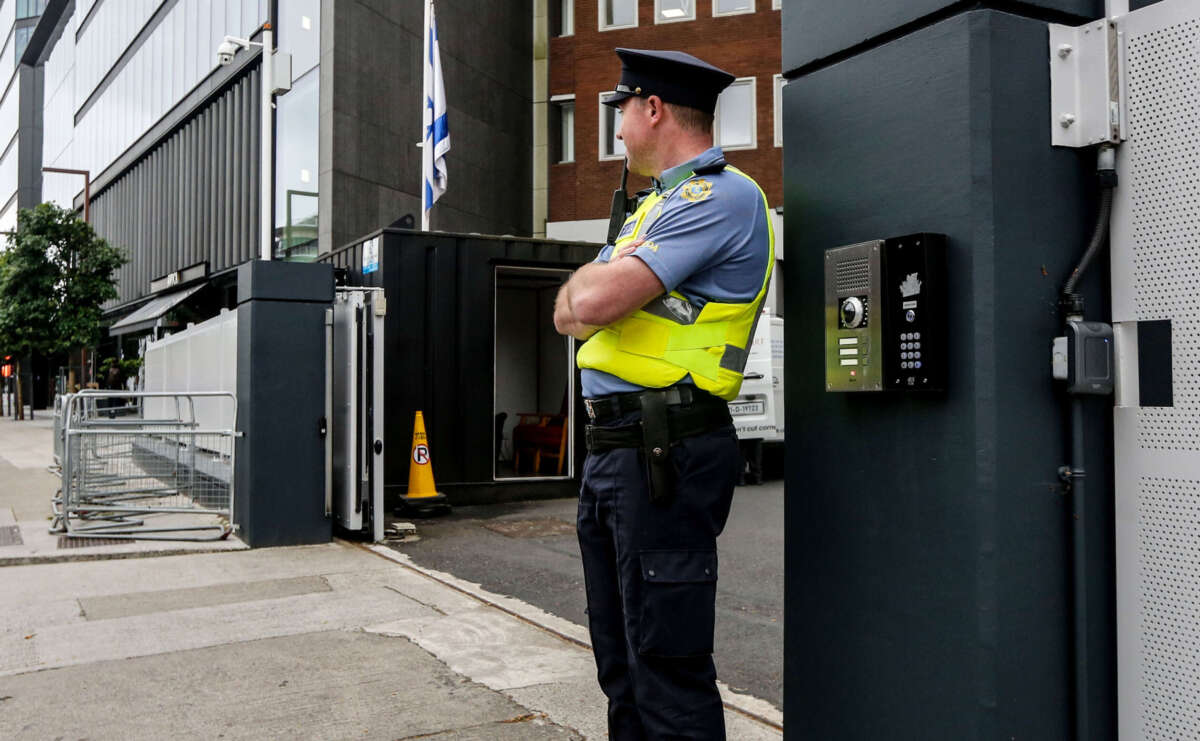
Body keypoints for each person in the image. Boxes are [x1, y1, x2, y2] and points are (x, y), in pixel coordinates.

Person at [554, 48, 774, 740]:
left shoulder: (721, 196)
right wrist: (594, 291)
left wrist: (601, 286)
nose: (617, 129)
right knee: (620, 663)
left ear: (652, 108)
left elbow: (595, 299)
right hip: (618, 452)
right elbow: (569, 309)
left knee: (666, 669)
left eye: (620, 111)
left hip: (665, 450)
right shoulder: (653, 208)